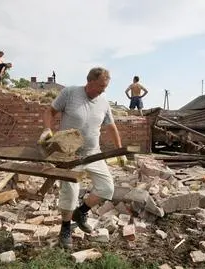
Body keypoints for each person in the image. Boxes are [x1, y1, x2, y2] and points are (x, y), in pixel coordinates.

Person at [38, 67, 127, 249]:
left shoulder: (103, 102)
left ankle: (81, 212)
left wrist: (120, 151)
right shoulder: (70, 93)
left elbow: (111, 127)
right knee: (70, 193)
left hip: (93, 153)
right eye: (101, 86)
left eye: (106, 86)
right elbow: (49, 112)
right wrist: (48, 129)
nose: (104, 90)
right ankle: (65, 229)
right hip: (69, 155)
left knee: (106, 188)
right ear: (90, 82)